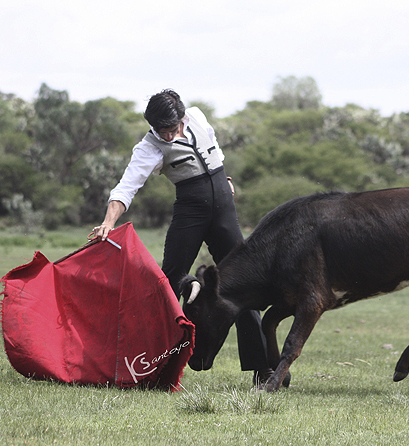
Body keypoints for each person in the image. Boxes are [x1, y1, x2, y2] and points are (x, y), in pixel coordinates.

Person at [90, 89, 276, 386]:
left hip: (224, 213)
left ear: (183, 116)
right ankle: (152, 365)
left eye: (171, 129)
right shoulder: (148, 148)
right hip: (191, 213)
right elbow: (127, 187)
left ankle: (262, 369)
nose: (167, 136)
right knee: (169, 279)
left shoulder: (199, 116)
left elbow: (214, 147)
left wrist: (223, 177)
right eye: (160, 130)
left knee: (245, 286)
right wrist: (108, 222)